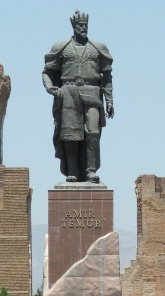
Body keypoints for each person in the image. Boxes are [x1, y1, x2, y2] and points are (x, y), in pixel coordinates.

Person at [43, 10, 114, 183]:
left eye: (86, 25)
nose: (84, 28)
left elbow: (107, 77)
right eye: (81, 25)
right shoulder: (62, 47)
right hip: (68, 93)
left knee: (93, 132)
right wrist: (50, 87)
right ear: (74, 27)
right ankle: (72, 171)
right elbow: (48, 72)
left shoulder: (98, 48)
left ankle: (90, 170)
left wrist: (110, 100)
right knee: (70, 135)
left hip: (92, 92)